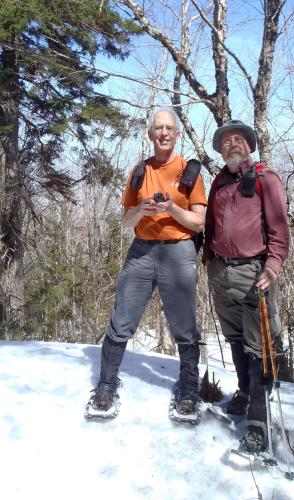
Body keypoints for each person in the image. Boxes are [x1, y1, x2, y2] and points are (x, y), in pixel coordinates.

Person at [86, 107, 207, 421]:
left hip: (179, 251)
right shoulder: (139, 170)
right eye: (158, 128)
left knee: (183, 324)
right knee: (122, 318)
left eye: (169, 128)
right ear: (151, 134)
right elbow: (127, 220)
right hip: (141, 251)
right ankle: (106, 384)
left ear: (177, 134)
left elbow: (198, 222)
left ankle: (189, 388)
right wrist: (142, 208)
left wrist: (171, 210)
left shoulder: (190, 171)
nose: (164, 133)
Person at [203, 119, 289, 454]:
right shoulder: (219, 181)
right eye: (225, 142)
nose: (232, 144)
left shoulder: (267, 179)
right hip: (221, 272)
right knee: (236, 338)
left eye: (238, 139)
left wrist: (273, 266)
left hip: (254, 273)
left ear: (249, 145)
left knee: (259, 348)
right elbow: (211, 222)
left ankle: (259, 422)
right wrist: (209, 255)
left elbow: (280, 231)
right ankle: (242, 395)